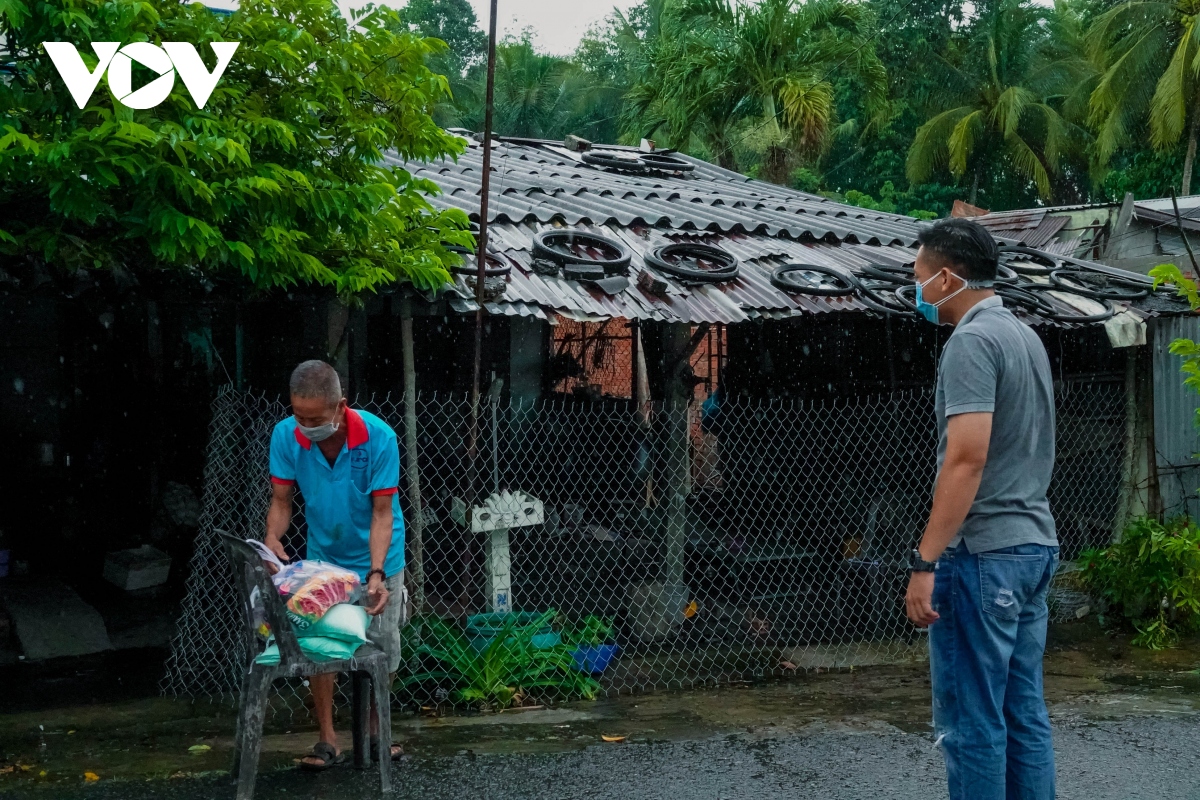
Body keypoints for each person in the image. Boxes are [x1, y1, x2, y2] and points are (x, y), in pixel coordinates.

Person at [903, 219, 1060, 800]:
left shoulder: (971, 341)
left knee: (971, 723)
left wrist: (926, 561)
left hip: (984, 555)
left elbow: (966, 459)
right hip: (1033, 547)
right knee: (1022, 713)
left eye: (919, 276)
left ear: (948, 276)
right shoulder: (1024, 335)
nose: (916, 288)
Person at [265, 360, 407, 769]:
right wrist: (273, 538)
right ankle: (327, 738)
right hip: (322, 560)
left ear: (341, 405)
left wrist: (376, 575)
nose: (305, 425)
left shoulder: (379, 437)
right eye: (298, 415)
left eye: (315, 418)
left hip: (379, 557)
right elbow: (281, 501)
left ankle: (377, 732)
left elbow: (383, 513)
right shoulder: (286, 436)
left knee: (383, 645)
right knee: (318, 648)